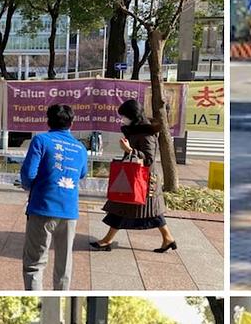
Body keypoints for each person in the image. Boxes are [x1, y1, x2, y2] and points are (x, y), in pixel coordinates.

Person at [90, 99, 177, 253]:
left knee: (141, 210)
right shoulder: (138, 130)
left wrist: (130, 150)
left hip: (144, 180)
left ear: (134, 116)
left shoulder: (147, 134)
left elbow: (149, 159)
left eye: (124, 116)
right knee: (126, 208)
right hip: (135, 177)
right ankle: (167, 238)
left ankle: (107, 240)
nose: (122, 119)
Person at [19, 104, 88, 291]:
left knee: (34, 264)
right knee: (64, 264)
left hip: (42, 208)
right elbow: (82, 173)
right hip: (69, 211)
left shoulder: (41, 141)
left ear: (48, 120)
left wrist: (30, 187)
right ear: (71, 123)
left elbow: (28, 175)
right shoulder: (80, 148)